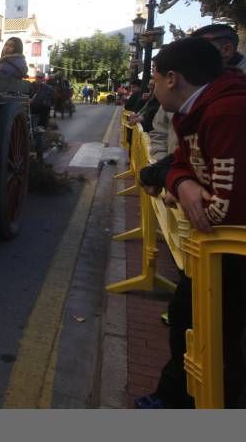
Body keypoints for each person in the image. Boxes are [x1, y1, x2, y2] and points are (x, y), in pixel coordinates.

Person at [135, 36, 246, 409]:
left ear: (171, 78)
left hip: (228, 247)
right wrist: (182, 183)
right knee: (187, 316)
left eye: (153, 79)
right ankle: (179, 396)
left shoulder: (227, 113)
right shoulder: (196, 112)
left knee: (220, 337)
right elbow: (182, 161)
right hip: (213, 248)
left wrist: (182, 191)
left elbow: (223, 208)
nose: (151, 87)